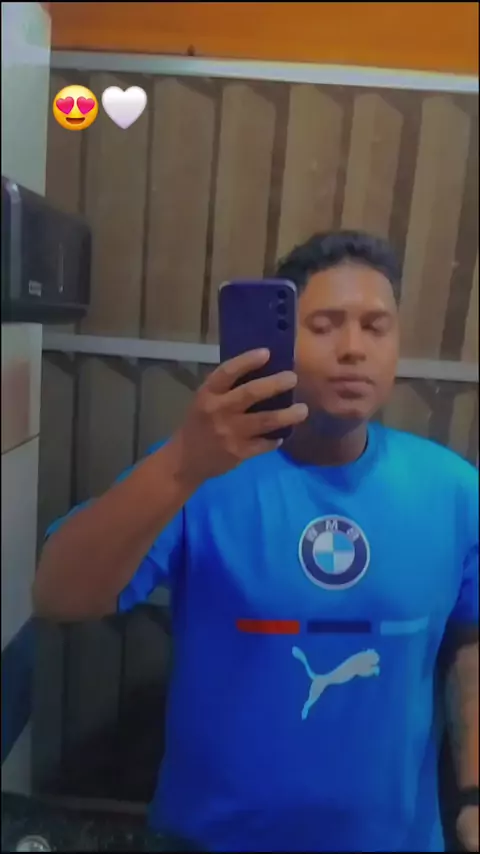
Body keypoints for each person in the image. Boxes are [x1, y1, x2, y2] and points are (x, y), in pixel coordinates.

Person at [34, 232, 479, 853]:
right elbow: (59, 596)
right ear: (279, 339)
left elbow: (471, 645)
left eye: (376, 327)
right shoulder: (198, 475)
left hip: (392, 840)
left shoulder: (453, 489)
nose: (354, 348)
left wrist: (474, 794)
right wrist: (183, 462)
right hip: (211, 839)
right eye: (324, 325)